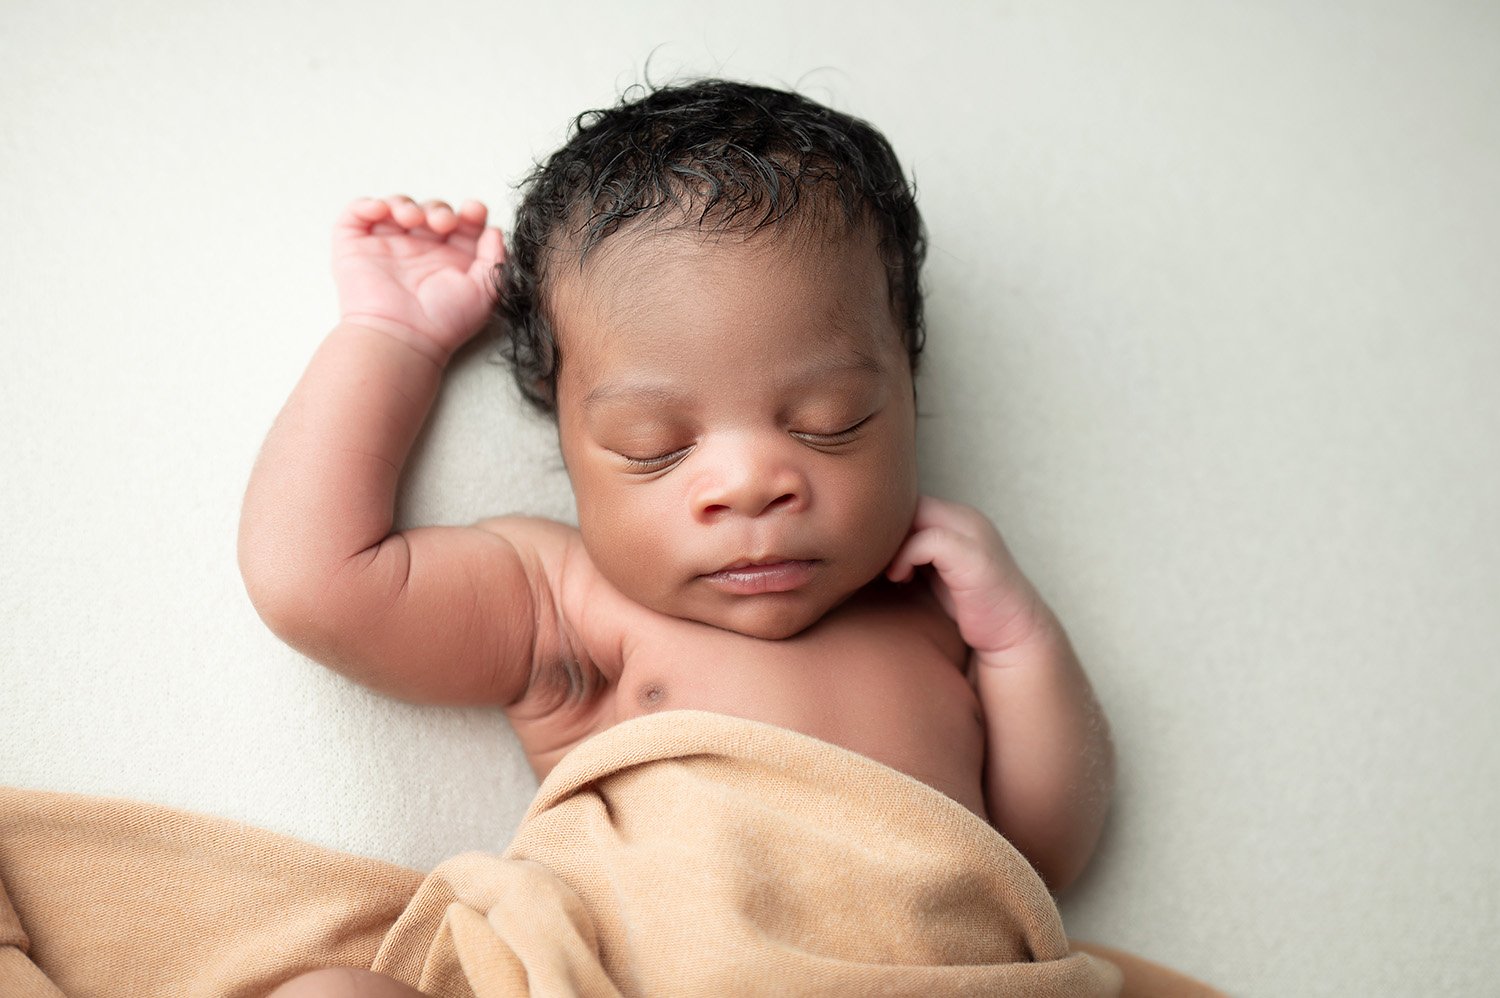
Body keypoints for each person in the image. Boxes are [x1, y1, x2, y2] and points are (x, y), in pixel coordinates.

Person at [240, 79, 1115, 998]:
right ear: (567, 441)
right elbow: (315, 584)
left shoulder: (934, 614)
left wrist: (1018, 639)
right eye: (653, 447)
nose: (747, 484)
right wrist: (389, 339)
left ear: (907, 387)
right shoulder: (567, 601)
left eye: (831, 419)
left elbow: (1045, 853)